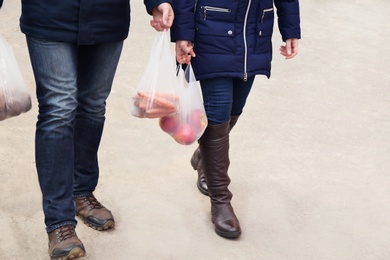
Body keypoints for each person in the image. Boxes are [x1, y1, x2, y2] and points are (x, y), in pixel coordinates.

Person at [0, 0, 173, 259]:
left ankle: (81, 191)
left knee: (93, 105)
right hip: (50, 14)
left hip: (107, 15)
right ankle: (60, 223)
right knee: (59, 109)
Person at [171, 0, 300, 239]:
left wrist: (291, 29)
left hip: (254, 34)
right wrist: (183, 33)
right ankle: (221, 201)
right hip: (211, 30)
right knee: (218, 111)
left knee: (235, 109)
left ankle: (205, 157)